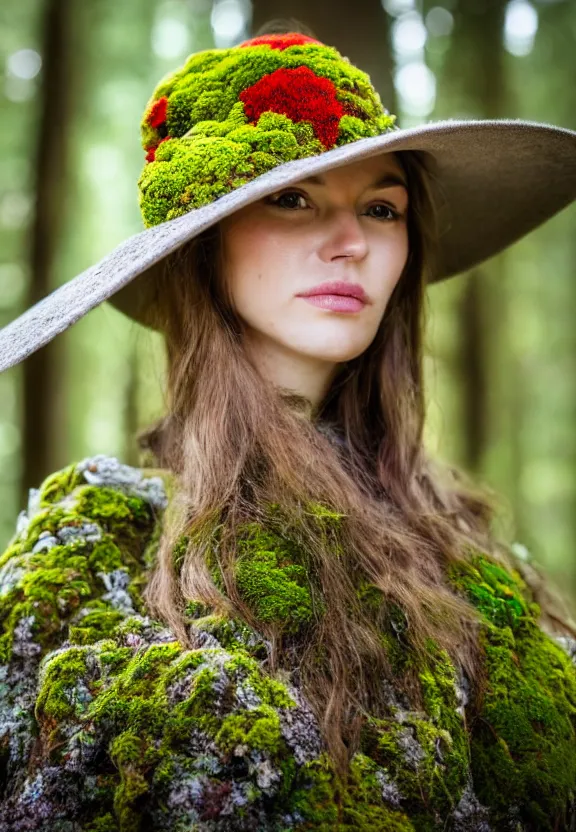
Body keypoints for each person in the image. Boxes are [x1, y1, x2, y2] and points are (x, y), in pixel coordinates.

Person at [0, 21, 576, 832]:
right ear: (205, 244)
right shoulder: (92, 552)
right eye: (292, 197)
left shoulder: (473, 558)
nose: (350, 244)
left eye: (382, 207)